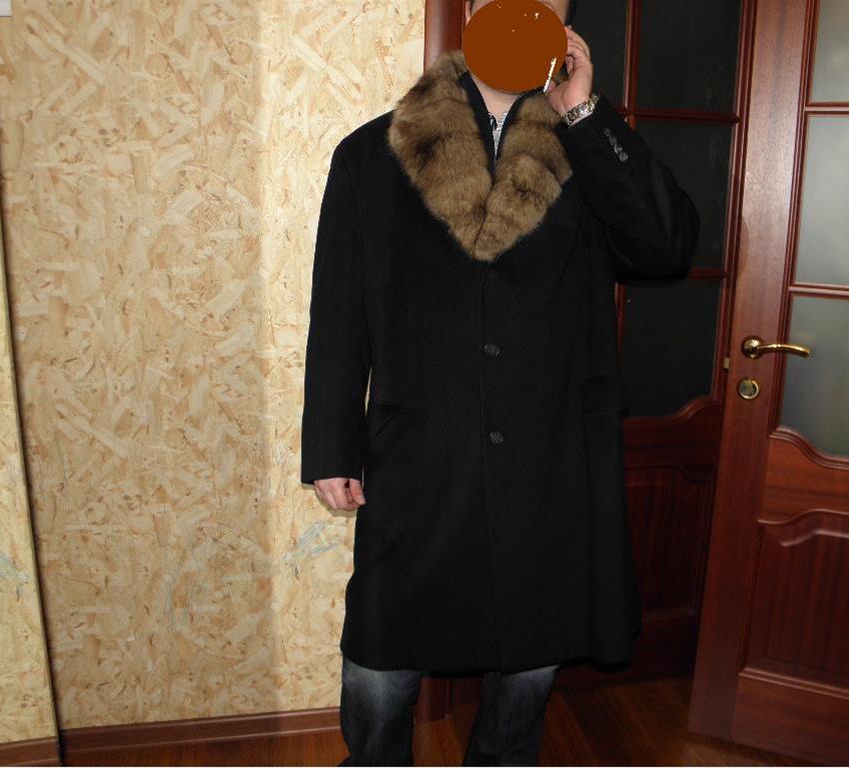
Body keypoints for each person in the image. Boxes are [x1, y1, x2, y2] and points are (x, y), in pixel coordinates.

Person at [300, 0, 700, 763]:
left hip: (550, 458)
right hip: (421, 455)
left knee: (530, 659)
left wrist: (584, 113)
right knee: (381, 661)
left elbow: (667, 247)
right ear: (473, 10)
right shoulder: (372, 155)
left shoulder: (585, 145)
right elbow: (339, 312)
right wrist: (331, 446)